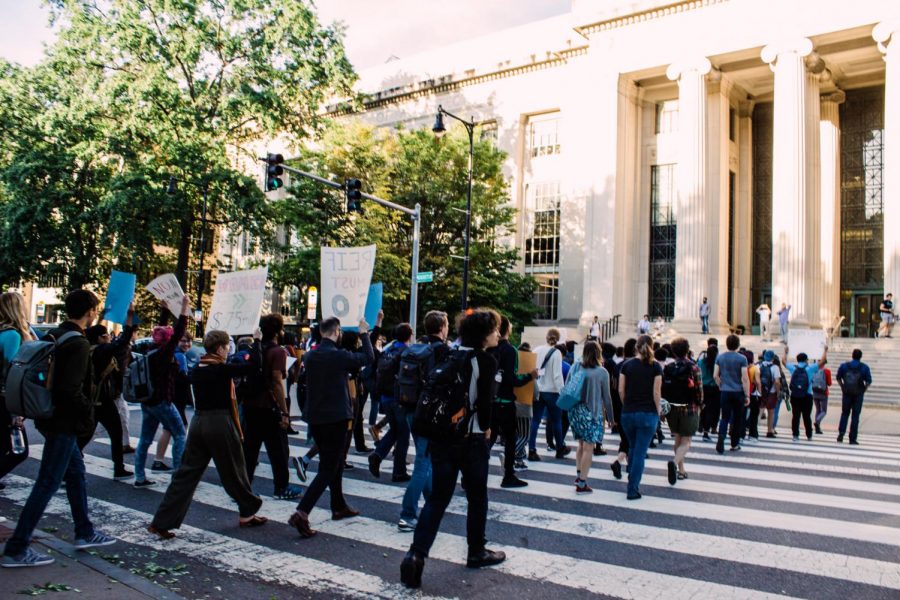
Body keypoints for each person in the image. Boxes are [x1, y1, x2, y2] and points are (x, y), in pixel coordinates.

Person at [2, 290, 116, 568]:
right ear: (90, 311)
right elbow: (70, 390)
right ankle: (17, 548)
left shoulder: (57, 333)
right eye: (95, 309)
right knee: (47, 482)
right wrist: (88, 415)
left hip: (49, 417)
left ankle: (84, 531)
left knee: (76, 473)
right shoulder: (76, 343)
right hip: (64, 422)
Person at [400, 310, 505, 589]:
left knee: (437, 499)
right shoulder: (485, 360)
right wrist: (487, 428)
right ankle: (476, 550)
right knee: (477, 496)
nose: (497, 334)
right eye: (494, 330)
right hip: (470, 440)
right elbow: (485, 407)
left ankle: (416, 555)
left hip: (442, 439)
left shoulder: (450, 354)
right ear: (484, 334)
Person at [148, 330, 267, 538]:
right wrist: (257, 342)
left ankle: (161, 521)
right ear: (220, 348)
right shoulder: (219, 369)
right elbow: (254, 366)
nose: (228, 350)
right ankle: (248, 510)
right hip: (219, 422)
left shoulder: (198, 367)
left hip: (198, 422)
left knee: (186, 474)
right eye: (227, 347)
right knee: (235, 470)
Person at [288, 317, 373, 538]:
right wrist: (364, 334)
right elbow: (368, 357)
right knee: (329, 467)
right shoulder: (338, 355)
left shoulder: (310, 354)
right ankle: (302, 511)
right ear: (336, 332)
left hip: (316, 417)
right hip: (336, 417)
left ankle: (338, 504)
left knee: (332, 463)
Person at [399, 310, 450, 532]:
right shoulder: (441, 351)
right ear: (442, 327)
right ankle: (407, 514)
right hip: (429, 414)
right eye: (446, 324)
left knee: (425, 457)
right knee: (423, 462)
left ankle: (433, 504)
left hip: (410, 408)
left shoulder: (414, 349)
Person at [133, 295, 192, 489]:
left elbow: (163, 331)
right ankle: (178, 473)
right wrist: (184, 309)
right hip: (162, 401)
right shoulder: (164, 354)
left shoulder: (152, 349)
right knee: (180, 434)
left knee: (145, 439)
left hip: (147, 401)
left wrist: (165, 311)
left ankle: (140, 476)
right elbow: (177, 332)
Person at [243, 313, 302, 500]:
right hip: (269, 407)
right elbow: (277, 381)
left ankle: (243, 486)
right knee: (279, 450)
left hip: (251, 405)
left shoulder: (255, 348)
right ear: (278, 330)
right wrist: (285, 411)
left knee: (250, 450)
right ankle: (281, 487)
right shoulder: (277, 352)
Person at [81, 305, 136, 480]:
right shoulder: (102, 351)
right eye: (105, 336)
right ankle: (118, 468)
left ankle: (69, 464)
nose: (108, 337)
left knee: (86, 435)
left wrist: (101, 317)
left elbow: (89, 331)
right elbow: (123, 340)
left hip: (90, 399)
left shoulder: (87, 347)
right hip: (102, 400)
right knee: (115, 431)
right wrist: (129, 316)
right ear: (99, 338)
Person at [488, 316, 537, 490]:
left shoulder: (489, 348)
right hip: (506, 400)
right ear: (507, 329)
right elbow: (512, 379)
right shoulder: (510, 351)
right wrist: (529, 376)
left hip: (490, 401)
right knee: (510, 439)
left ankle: (471, 474)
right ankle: (508, 475)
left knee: (489, 438)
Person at [616, 335, 661, 500]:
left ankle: (631, 477)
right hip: (648, 413)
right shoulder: (655, 366)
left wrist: (626, 403)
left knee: (634, 448)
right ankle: (632, 488)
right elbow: (656, 393)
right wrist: (659, 411)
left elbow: (621, 390)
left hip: (628, 412)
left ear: (636, 347)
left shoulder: (626, 365)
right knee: (640, 452)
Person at [369, 323, 415, 482]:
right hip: (399, 398)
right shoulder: (406, 352)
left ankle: (377, 455)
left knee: (395, 431)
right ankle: (399, 471)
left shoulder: (388, 349)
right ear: (409, 336)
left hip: (385, 397)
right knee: (403, 435)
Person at [0, 292, 36, 488]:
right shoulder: (13, 335)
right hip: (5, 402)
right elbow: (13, 376)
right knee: (18, 451)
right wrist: (16, 412)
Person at [569, 341, 613, 493]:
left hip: (575, 411)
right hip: (591, 413)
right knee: (589, 447)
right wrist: (611, 418)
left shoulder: (575, 366)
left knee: (580, 445)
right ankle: (582, 483)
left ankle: (579, 474)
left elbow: (567, 386)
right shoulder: (602, 372)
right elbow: (607, 398)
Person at [662, 337, 703, 482]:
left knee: (678, 439)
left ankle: (681, 470)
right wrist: (700, 404)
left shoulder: (668, 367)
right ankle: (674, 463)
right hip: (689, 407)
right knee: (686, 441)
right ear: (687, 350)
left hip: (673, 408)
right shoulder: (694, 367)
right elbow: (699, 388)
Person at [152, 332, 193, 471]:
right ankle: (180, 464)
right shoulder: (179, 355)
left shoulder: (172, 353)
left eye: (189, 341)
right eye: (183, 341)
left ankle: (158, 460)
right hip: (176, 399)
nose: (187, 344)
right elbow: (183, 378)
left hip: (170, 398)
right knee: (181, 431)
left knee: (168, 429)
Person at [529, 329, 568, 460]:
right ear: (557, 339)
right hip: (552, 391)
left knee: (535, 420)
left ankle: (532, 449)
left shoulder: (537, 350)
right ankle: (559, 449)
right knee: (557, 421)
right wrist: (563, 393)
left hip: (538, 389)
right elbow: (557, 376)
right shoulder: (557, 353)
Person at [782, 346, 828, 442]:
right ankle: (809, 435)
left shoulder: (793, 368)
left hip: (795, 395)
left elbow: (783, 361)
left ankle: (795, 435)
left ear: (797, 360)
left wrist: (785, 352)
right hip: (807, 395)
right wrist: (825, 350)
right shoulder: (810, 368)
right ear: (806, 360)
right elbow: (823, 361)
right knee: (806, 416)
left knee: (796, 416)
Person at [713, 334, 749, 454]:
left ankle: (721, 437)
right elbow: (745, 378)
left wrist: (720, 385)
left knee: (724, 417)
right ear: (738, 345)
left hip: (725, 391)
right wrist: (747, 394)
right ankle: (734, 443)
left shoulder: (720, 357)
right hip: (738, 392)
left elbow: (715, 375)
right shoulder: (742, 359)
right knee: (737, 419)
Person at [836, 349, 873, 445]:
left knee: (844, 413)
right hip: (858, 394)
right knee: (855, 416)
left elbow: (838, 378)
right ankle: (852, 438)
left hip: (846, 393)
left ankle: (841, 433)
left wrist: (842, 387)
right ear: (860, 357)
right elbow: (868, 381)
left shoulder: (844, 366)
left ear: (852, 355)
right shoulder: (864, 367)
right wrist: (863, 390)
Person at [697, 339, 719, 442]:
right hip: (714, 388)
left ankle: (701, 425)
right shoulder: (717, 363)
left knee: (703, 407)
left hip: (703, 387)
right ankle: (706, 431)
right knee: (711, 409)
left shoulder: (701, 362)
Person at [758, 350, 782, 438]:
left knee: (759, 411)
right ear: (772, 358)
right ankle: (769, 431)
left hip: (760, 391)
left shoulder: (758, 365)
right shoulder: (775, 367)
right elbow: (777, 382)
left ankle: (754, 429)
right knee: (771, 412)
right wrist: (778, 392)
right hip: (771, 393)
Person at [812, 360, 833, 435]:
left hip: (814, 392)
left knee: (818, 409)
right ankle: (817, 422)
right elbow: (829, 383)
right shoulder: (827, 371)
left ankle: (817, 428)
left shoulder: (814, 370)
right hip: (823, 393)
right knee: (824, 411)